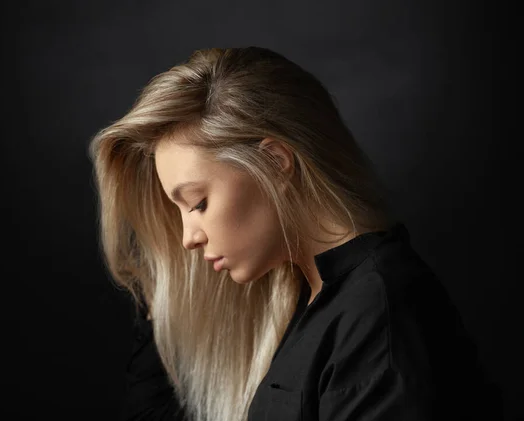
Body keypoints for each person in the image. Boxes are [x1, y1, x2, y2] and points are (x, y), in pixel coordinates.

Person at [88, 47, 504, 421]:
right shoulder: (308, 300)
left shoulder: (379, 314)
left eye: (197, 203)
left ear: (274, 161)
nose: (188, 238)